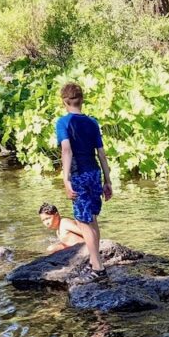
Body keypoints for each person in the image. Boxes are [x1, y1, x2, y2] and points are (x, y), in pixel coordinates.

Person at [55, 82, 113, 284]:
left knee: (83, 222)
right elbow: (102, 154)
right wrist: (108, 180)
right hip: (94, 173)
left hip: (79, 175)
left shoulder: (63, 123)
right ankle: (94, 261)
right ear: (82, 100)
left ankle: (98, 268)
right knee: (92, 220)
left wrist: (66, 178)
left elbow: (66, 150)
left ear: (64, 101)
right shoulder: (92, 122)